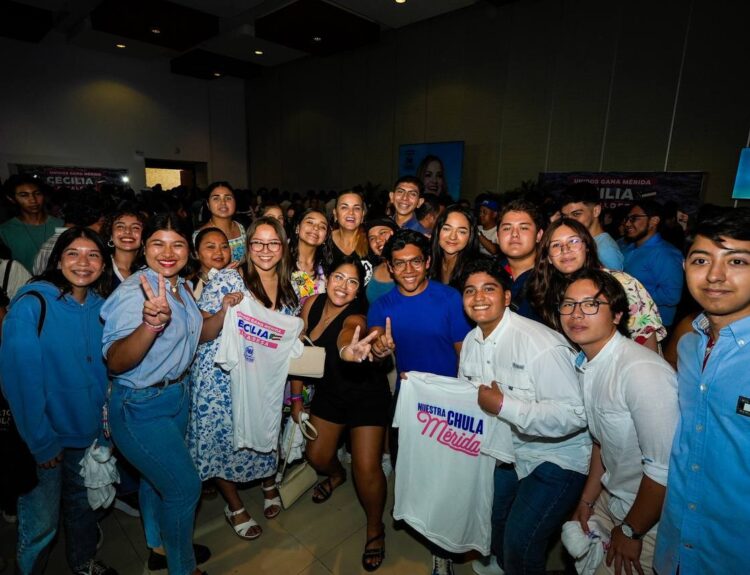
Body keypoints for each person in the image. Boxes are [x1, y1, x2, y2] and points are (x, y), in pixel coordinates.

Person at [458, 258, 590, 575]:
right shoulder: (470, 343)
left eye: (489, 289)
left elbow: (574, 414)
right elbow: (466, 399)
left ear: (506, 297)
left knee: (522, 542)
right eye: (469, 291)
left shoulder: (539, 343)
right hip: (505, 450)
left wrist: (505, 405)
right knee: (492, 516)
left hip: (557, 456)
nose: (478, 298)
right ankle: (505, 566)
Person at [0, 227, 117, 575]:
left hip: (89, 434)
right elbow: (20, 381)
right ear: (57, 259)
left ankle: (82, 564)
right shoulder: (32, 303)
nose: (84, 262)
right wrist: (41, 441)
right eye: (73, 253)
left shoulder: (102, 307)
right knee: (42, 524)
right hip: (45, 438)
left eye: (93, 254)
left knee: (82, 510)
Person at [101, 214, 210, 575]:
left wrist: (225, 310)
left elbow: (196, 334)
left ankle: (158, 546)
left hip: (175, 398)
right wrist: (150, 324)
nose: (168, 252)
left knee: (154, 478)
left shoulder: (179, 285)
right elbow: (116, 361)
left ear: (188, 250)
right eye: (157, 243)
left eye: (177, 243)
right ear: (143, 247)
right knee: (184, 489)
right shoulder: (136, 293)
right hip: (139, 407)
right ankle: (183, 567)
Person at [186, 216, 299, 544]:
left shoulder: (289, 288)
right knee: (223, 442)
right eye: (258, 243)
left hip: (261, 378)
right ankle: (234, 505)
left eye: (273, 243)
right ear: (247, 247)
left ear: (283, 247)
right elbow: (202, 334)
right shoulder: (226, 281)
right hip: (219, 381)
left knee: (264, 428)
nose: (265, 250)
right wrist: (222, 311)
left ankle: (267, 483)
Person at [560, 269, 678, 575]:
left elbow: (663, 469)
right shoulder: (587, 363)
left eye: (590, 305)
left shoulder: (641, 371)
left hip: (649, 518)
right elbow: (602, 441)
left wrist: (631, 531)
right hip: (611, 500)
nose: (576, 314)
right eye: (568, 304)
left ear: (616, 315)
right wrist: (587, 500)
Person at [368, 228, 471, 575]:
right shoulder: (382, 306)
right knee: (411, 472)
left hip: (451, 406)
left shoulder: (450, 299)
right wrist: (381, 349)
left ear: (427, 262)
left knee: (448, 478)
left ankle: (441, 546)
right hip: (409, 404)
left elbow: (464, 357)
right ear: (390, 268)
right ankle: (425, 524)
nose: (409, 270)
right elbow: (376, 347)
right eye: (400, 264)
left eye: (415, 261)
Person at [654, 208, 750, 574]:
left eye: (737, 260)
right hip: (679, 547)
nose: (715, 275)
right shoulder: (689, 345)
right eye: (700, 260)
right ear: (684, 268)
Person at [290, 257, 390, 571]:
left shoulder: (356, 316)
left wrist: (352, 350)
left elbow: (349, 335)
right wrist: (296, 398)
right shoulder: (312, 304)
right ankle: (336, 474)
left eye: (351, 282)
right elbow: (299, 351)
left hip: (366, 396)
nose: (342, 286)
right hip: (331, 393)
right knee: (317, 456)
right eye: (338, 277)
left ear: (359, 289)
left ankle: (375, 528)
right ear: (327, 277)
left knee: (366, 468)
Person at [527, 218, 666, 352]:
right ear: (549, 257)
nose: (566, 249)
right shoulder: (547, 290)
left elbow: (647, 345)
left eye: (573, 241)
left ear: (587, 247)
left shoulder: (621, 283)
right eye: (556, 245)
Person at [622, 200, 683, 328]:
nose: (627, 223)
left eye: (634, 218)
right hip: (629, 322)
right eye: (627, 218)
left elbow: (671, 296)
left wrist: (629, 292)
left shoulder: (665, 254)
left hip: (653, 327)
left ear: (654, 221)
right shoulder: (628, 247)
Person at [32, 187, 108, 275]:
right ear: (89, 219)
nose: (104, 228)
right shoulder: (71, 244)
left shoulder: (50, 243)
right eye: (102, 222)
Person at [0, 175, 63, 271]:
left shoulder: (61, 225)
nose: (33, 200)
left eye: (37, 193)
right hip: (22, 284)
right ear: (11, 199)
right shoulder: (4, 231)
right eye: (24, 195)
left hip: (56, 284)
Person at [496, 199, 544, 320]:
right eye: (507, 228)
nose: (514, 234)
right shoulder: (491, 274)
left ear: (538, 235)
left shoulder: (552, 278)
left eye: (524, 228)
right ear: (497, 236)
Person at [559, 183, 623, 270]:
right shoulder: (584, 241)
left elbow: (616, 282)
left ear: (596, 211)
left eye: (576, 214)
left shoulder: (605, 250)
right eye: (565, 216)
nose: (570, 221)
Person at [193, 182, 246, 264]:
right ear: (208, 204)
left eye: (228, 198)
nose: (223, 203)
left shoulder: (243, 227)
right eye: (216, 198)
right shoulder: (199, 236)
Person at [429, 205, 479, 289]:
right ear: (438, 231)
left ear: (470, 236)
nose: (453, 237)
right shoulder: (428, 260)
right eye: (447, 229)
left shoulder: (475, 271)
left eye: (461, 231)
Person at [290, 208, 331, 307]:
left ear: (325, 238)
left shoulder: (327, 270)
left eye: (322, 227)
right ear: (297, 228)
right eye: (310, 222)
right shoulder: (280, 260)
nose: (316, 228)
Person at [101, 204, 146, 289]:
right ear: (110, 234)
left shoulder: (151, 271)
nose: (127, 231)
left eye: (135, 227)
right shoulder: (100, 268)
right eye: (120, 227)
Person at [328, 190, 370, 270]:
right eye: (344, 207)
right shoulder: (324, 241)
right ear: (335, 213)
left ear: (362, 215)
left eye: (357, 208)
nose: (351, 213)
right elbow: (299, 269)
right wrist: (315, 283)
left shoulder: (372, 242)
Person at [191, 227, 231, 299]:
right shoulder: (190, 288)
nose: (219, 252)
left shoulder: (236, 278)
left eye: (224, 246)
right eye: (211, 247)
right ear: (196, 254)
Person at [364, 218, 398, 304]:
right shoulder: (371, 270)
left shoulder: (409, 266)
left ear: (394, 233)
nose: (378, 240)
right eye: (372, 238)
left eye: (382, 233)